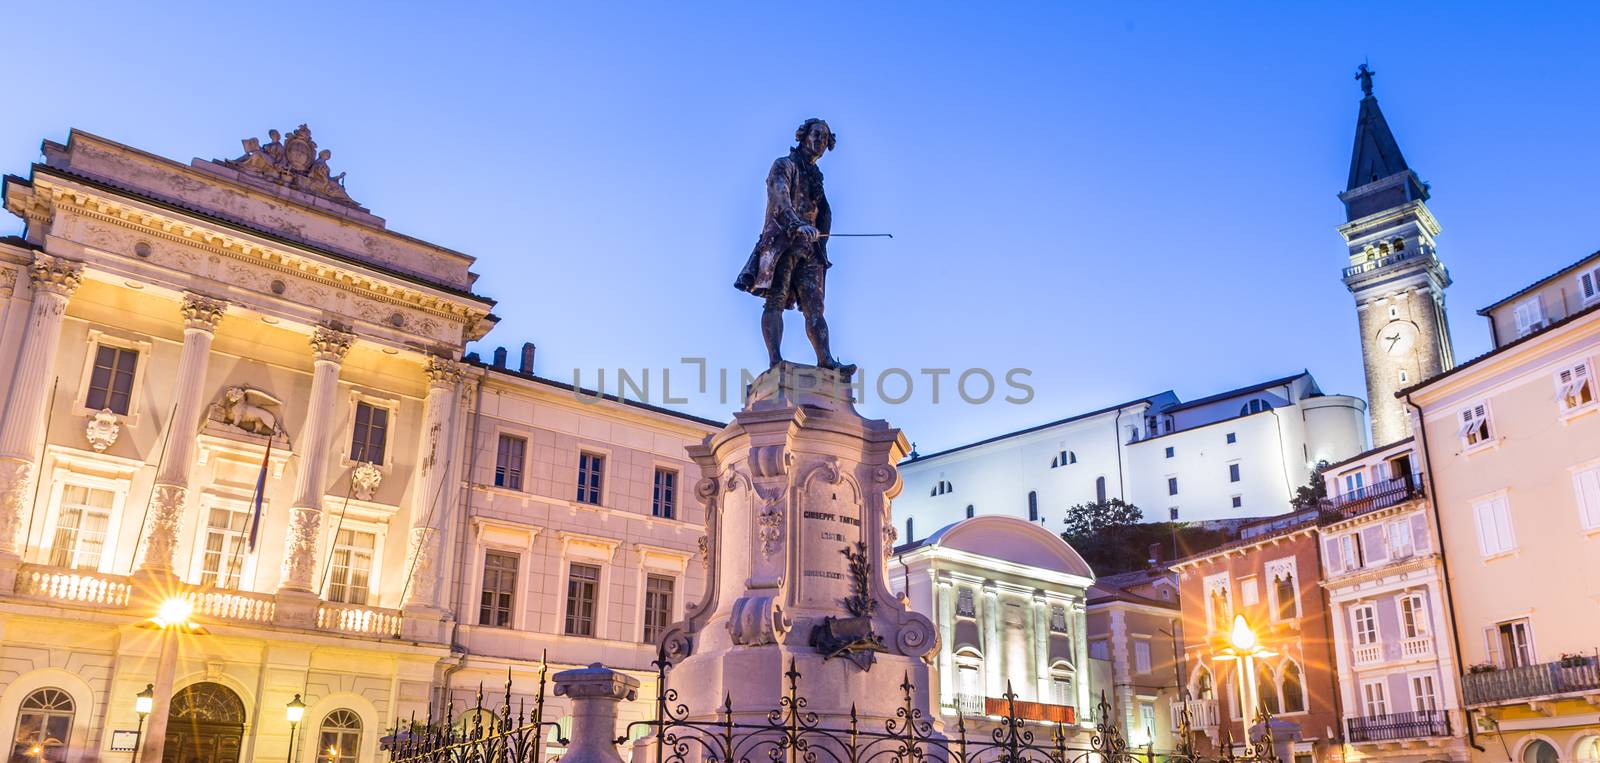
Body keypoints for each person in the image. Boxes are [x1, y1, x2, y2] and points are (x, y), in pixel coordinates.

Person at [734, 118, 854, 376]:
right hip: (782, 243)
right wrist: (797, 224)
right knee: (775, 300)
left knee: (815, 307)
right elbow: (779, 197)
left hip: (811, 248)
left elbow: (823, 214)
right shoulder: (784, 165)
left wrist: (821, 240)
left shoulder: (816, 178)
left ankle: (827, 360)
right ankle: (775, 361)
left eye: (825, 138)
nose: (820, 142)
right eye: (816, 135)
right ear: (803, 136)